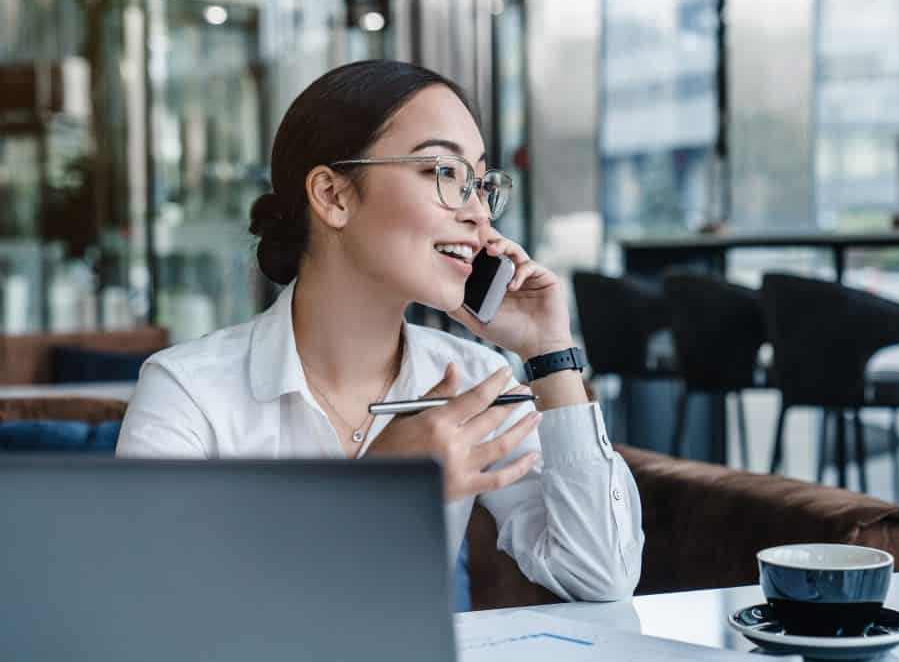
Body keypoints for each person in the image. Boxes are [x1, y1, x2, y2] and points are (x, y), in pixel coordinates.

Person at [117, 60, 643, 603]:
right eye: (444, 172)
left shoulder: (475, 382)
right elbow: (158, 607)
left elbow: (601, 575)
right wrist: (372, 492)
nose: (479, 215)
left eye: (480, 183)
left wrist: (549, 353)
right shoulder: (188, 391)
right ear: (334, 196)